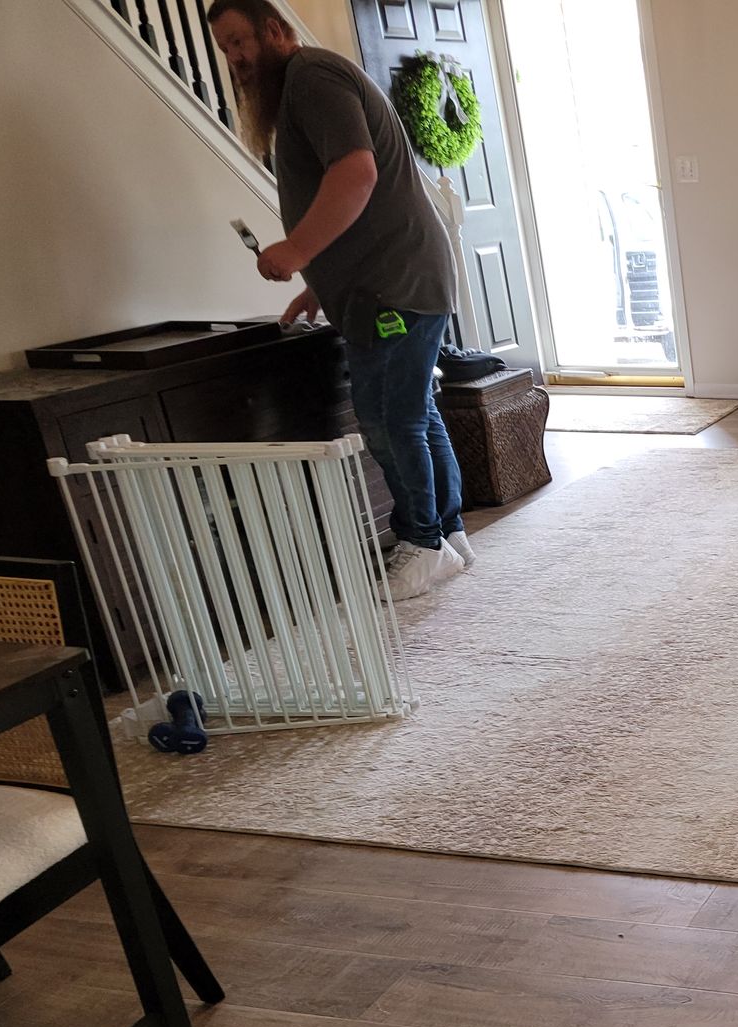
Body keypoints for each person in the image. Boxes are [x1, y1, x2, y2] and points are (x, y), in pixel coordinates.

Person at [207, 0, 472, 600]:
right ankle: (448, 534)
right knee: (411, 412)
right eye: (225, 49)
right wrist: (318, 282)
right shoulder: (306, 84)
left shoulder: (313, 78)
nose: (235, 58)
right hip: (390, 278)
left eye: (239, 42)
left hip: (392, 283)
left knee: (387, 418)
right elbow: (353, 201)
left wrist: (297, 248)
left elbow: (356, 174)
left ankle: (422, 540)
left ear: (275, 30)